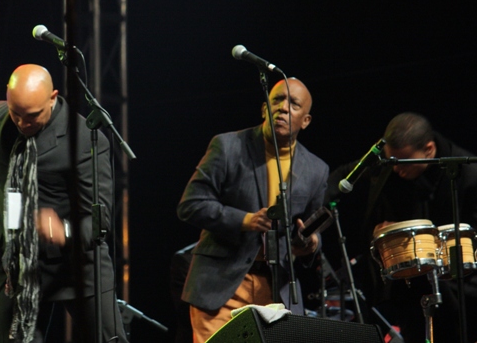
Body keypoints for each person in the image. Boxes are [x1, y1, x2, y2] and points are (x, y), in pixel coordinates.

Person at [0, 64, 127, 343]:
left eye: (32, 116)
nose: (23, 123)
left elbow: (101, 221)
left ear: (53, 97)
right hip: (18, 266)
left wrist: (65, 230)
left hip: (76, 265)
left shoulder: (83, 139)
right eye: (16, 113)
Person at [177, 77, 329, 343]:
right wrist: (245, 220)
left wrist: (311, 243)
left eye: (293, 104)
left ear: (306, 120)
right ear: (264, 109)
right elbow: (190, 204)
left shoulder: (317, 169)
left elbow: (313, 227)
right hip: (221, 284)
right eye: (277, 100)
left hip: (277, 289)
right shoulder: (228, 146)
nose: (282, 108)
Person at [325, 112, 477, 343]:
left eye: (403, 161)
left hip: (458, 284)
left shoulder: (467, 173)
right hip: (408, 284)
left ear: (429, 149)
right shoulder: (392, 162)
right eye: (391, 160)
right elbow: (341, 177)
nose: (396, 169)